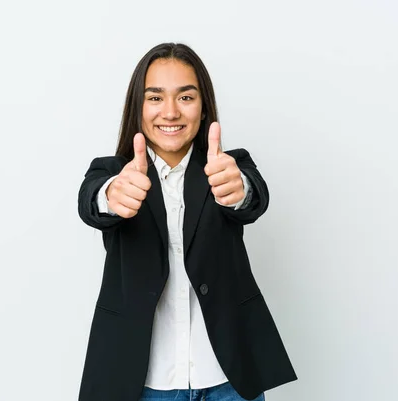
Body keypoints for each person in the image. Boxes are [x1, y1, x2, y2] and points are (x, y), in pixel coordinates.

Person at [77, 42, 297, 401]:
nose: (170, 112)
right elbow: (91, 201)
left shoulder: (225, 167)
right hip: (143, 384)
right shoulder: (113, 172)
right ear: (138, 106)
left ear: (203, 105)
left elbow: (253, 197)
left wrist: (239, 188)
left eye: (185, 97)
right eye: (155, 98)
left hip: (228, 379)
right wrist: (111, 196)